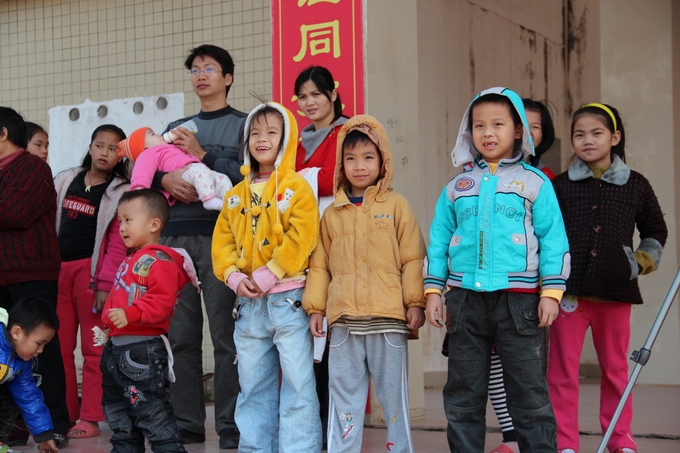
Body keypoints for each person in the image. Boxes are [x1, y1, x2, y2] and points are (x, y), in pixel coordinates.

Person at [424, 87, 570, 452]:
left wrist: (552, 293)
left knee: (529, 394)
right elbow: (438, 241)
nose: (487, 133)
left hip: (520, 304)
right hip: (464, 302)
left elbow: (554, 239)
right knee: (463, 394)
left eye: (498, 124)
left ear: (518, 130)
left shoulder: (536, 183)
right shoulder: (457, 186)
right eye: (479, 125)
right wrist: (433, 291)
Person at [303, 115, 427, 452]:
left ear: (382, 160)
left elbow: (413, 259)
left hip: (389, 321)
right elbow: (320, 267)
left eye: (368, 157)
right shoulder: (332, 214)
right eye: (351, 158)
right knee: (344, 397)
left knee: (394, 398)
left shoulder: (397, 206)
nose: (359, 166)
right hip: (344, 323)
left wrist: (415, 302)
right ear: (341, 164)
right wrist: (316, 309)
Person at [548, 103, 667, 453]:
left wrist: (637, 263)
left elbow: (656, 229)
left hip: (616, 293)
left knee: (615, 370)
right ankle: (564, 442)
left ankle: (620, 439)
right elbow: (547, 232)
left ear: (614, 137)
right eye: (579, 134)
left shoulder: (635, 184)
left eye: (596, 133)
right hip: (568, 294)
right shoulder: (561, 186)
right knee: (562, 371)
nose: (587, 140)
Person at [212, 101, 321, 452]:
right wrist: (233, 277)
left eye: (272, 132)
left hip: (289, 302)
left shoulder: (297, 187)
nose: (262, 139)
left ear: (286, 140)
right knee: (252, 386)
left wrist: (269, 273)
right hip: (248, 307)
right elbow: (222, 243)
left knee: (298, 386)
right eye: (255, 132)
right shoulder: (235, 195)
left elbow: (303, 236)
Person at [152, 44, 246, 448]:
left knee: (227, 336)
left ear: (228, 77)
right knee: (181, 336)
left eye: (209, 68)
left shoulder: (244, 125)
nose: (201, 75)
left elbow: (249, 178)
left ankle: (231, 424)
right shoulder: (175, 126)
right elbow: (146, 169)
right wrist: (164, 180)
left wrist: (202, 154)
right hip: (174, 241)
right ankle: (187, 422)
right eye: (194, 69)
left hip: (222, 240)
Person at [99, 189, 199, 453]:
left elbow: (161, 302)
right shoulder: (132, 257)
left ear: (154, 224)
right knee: (119, 412)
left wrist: (130, 314)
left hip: (141, 350)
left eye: (128, 220)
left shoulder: (160, 260)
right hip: (117, 347)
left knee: (150, 410)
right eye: (120, 221)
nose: (122, 227)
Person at [485, 97, 558, 453]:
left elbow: (554, 238)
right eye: (520, 123)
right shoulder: (474, 177)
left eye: (535, 126)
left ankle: (536, 441)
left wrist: (551, 288)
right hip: (485, 292)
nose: (526, 130)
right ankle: (510, 436)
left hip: (532, 292)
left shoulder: (546, 180)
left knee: (527, 371)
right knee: (492, 363)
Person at [53, 124, 130, 439]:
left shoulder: (120, 191)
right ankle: (64, 416)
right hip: (58, 273)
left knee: (94, 347)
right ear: (90, 147)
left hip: (92, 276)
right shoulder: (66, 179)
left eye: (113, 149)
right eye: (100, 145)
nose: (105, 153)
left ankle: (90, 418)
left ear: (120, 155)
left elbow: (117, 243)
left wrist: (105, 285)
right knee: (58, 347)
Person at [0, 107, 70, 449]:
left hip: (30, 273)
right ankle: (11, 426)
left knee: (41, 348)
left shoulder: (31, 166)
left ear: (3, 134)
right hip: (3, 276)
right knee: (5, 350)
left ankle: (52, 426)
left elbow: (13, 211)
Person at [293, 64, 347, 447]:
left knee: (334, 342)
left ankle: (336, 432)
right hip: (304, 247)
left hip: (338, 244)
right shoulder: (300, 139)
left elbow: (334, 178)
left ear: (333, 94)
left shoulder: (347, 132)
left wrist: (300, 180)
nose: (309, 102)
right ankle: (317, 432)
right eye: (302, 96)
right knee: (311, 342)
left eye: (316, 93)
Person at [119, 126, 232, 210]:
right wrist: (139, 190)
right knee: (201, 171)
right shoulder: (148, 153)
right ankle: (210, 201)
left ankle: (229, 202)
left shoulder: (171, 147)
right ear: (145, 147)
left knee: (223, 178)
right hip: (184, 174)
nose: (159, 134)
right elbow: (141, 172)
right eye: (153, 134)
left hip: (198, 174)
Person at [0, 298, 62, 453]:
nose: (40, 351)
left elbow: (28, 396)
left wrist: (43, 434)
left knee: (11, 399)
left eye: (44, 345)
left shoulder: (22, 362)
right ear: (17, 333)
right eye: (39, 343)